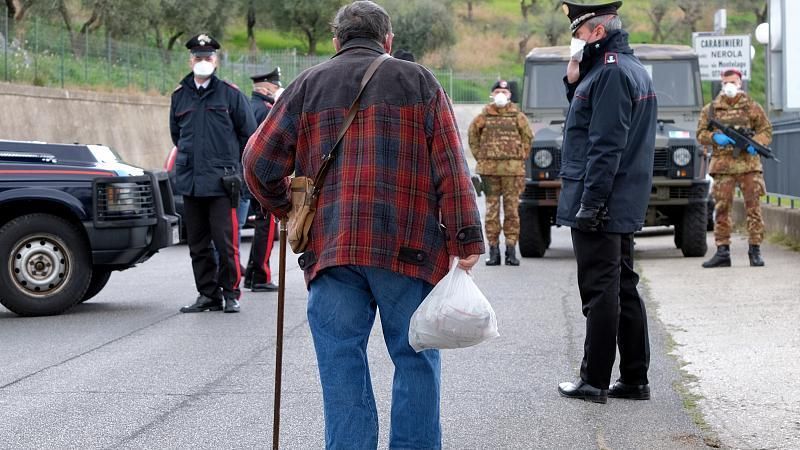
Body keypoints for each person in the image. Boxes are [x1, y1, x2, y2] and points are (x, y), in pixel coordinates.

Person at [242, 1, 484, 447]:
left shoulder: (307, 85)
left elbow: (257, 161)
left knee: (340, 364)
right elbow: (451, 166)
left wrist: (284, 209)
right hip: (408, 248)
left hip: (332, 250)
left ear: (336, 42)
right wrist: (466, 237)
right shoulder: (419, 81)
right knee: (415, 358)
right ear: (387, 40)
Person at [555, 1, 656, 404]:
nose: (575, 44)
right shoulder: (625, 68)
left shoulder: (611, 73)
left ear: (597, 32)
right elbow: (599, 125)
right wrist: (574, 82)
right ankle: (634, 378)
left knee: (600, 291)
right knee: (623, 287)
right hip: (621, 199)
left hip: (601, 200)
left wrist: (591, 205)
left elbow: (605, 146)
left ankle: (593, 380)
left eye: (578, 35)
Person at [169, 33, 257, 314]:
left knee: (226, 243)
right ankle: (207, 294)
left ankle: (231, 293)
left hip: (222, 184)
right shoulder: (179, 96)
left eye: (208, 57)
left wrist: (240, 173)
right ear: (190, 60)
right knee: (197, 245)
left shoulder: (230, 95)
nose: (202, 61)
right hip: (192, 183)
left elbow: (249, 136)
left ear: (216, 60)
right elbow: (176, 135)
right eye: (198, 57)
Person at [697, 68, 773, 268]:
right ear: (721, 84)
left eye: (733, 81)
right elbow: (700, 133)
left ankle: (755, 250)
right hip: (723, 167)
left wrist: (755, 143)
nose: (729, 85)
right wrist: (714, 137)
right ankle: (723, 252)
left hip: (749, 166)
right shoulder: (711, 109)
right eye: (725, 82)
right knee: (721, 210)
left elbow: (766, 130)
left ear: (740, 83)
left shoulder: (752, 107)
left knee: (754, 209)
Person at [468, 79, 533, 266]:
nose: (501, 94)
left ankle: (511, 250)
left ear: (510, 95)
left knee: (512, 211)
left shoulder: (517, 116)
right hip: (490, 172)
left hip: (513, 172)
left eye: (504, 91)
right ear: (492, 94)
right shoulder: (484, 115)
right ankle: (494, 251)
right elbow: (473, 136)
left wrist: (520, 157)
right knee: (492, 212)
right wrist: (481, 156)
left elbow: (528, 137)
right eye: (497, 91)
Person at [243, 67, 283, 292]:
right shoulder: (266, 110)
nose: (277, 90)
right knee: (265, 225)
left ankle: (251, 274)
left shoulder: (251, 106)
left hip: (246, 173)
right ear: (266, 87)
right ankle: (260, 274)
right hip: (260, 174)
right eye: (275, 86)